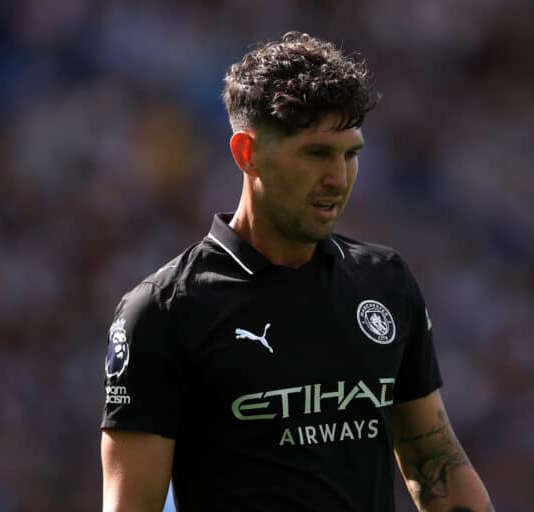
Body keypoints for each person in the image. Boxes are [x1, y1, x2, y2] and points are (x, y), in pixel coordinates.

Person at [100, 31, 493, 512]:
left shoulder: (384, 282)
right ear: (247, 153)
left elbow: (437, 467)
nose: (339, 178)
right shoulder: (164, 311)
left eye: (351, 154)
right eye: (317, 153)